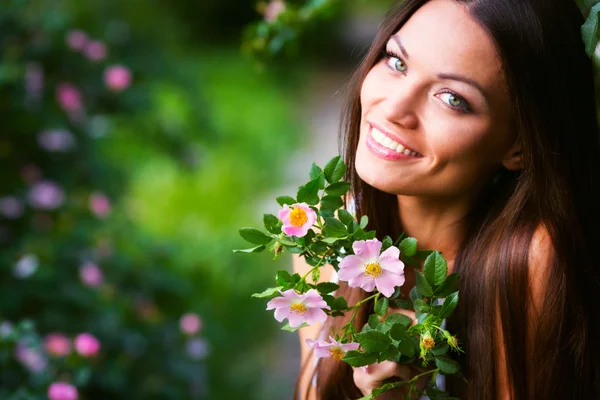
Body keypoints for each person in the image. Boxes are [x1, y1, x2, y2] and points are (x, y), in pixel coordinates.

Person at [293, 0, 600, 398]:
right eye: (397, 62)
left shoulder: (530, 264)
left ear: (520, 145)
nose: (395, 108)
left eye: (452, 98)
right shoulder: (322, 232)